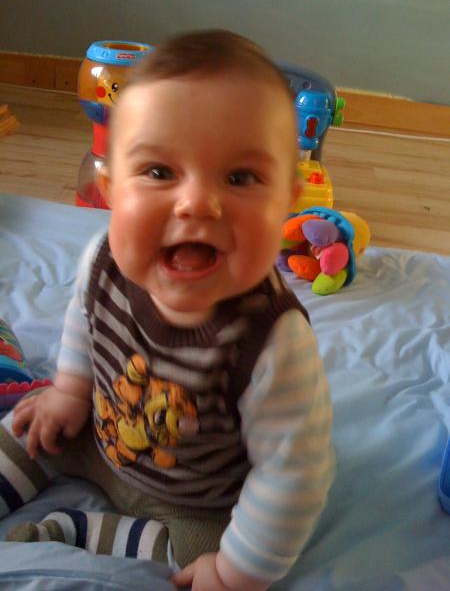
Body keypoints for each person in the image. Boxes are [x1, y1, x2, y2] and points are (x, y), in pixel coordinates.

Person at [0, 30, 334, 591]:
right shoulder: (103, 259)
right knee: (28, 424)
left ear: (286, 201)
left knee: (222, 558)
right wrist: (70, 392)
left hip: (196, 501)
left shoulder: (272, 342)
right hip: (98, 437)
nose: (197, 202)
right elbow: (84, 324)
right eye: (159, 172)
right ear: (111, 189)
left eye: (240, 177)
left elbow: (293, 475)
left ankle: (78, 530)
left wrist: (236, 572)